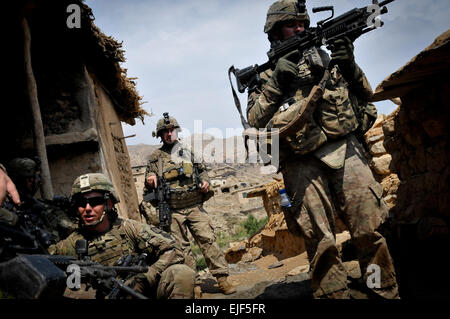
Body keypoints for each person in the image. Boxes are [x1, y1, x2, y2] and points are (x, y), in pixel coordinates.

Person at [246, 0, 399, 299]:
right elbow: (255, 119)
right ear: (275, 32)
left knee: (369, 231)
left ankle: (382, 289)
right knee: (321, 241)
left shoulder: (328, 59)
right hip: (301, 162)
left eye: (303, 23)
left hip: (346, 149)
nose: (300, 28)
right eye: (292, 24)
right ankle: (333, 295)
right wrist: (278, 80)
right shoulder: (263, 78)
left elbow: (366, 95)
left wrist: (350, 64)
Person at [48, 172, 196, 299]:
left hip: (142, 292)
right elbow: (44, 264)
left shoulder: (128, 228)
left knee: (181, 273)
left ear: (109, 203)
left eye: (95, 202)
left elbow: (174, 248)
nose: (87, 208)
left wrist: (146, 277)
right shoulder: (71, 243)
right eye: (81, 203)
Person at [143, 113, 236, 295]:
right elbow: (148, 187)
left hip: (194, 207)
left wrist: (205, 181)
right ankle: (193, 284)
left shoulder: (187, 151)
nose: (169, 134)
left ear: (176, 132)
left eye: (172, 131)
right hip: (173, 211)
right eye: (165, 132)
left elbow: (202, 171)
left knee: (208, 241)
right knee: (182, 250)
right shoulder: (156, 158)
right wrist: (150, 180)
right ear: (160, 135)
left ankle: (222, 279)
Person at [6, 158, 76, 243]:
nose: (39, 181)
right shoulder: (12, 210)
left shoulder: (38, 204)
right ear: (29, 180)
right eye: (37, 176)